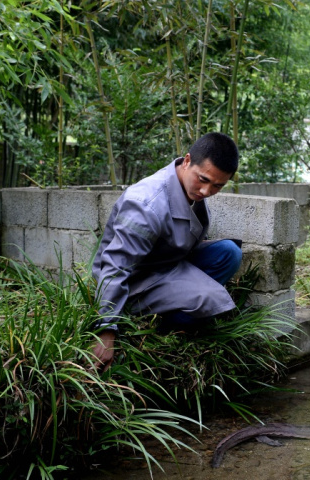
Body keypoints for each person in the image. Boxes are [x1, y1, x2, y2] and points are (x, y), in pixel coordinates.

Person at [91, 132, 243, 372]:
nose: (206, 191)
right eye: (202, 179)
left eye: (217, 186)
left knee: (229, 252)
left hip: (167, 263)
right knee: (210, 300)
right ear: (187, 161)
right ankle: (163, 323)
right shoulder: (145, 203)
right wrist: (106, 329)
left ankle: (183, 307)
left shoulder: (187, 186)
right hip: (136, 282)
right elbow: (116, 266)